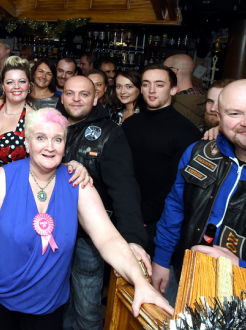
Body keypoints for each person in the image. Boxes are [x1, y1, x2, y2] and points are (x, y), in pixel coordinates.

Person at [0, 108, 173, 330]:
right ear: (27, 144)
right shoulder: (3, 178)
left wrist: (141, 282)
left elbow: (107, 238)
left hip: (46, 302)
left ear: (64, 146)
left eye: (57, 139)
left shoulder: (76, 184)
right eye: (41, 138)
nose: (49, 146)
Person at [151, 79, 246, 312]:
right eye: (235, 113)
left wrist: (243, 270)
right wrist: (162, 259)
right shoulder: (199, 153)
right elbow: (176, 207)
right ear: (219, 118)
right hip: (186, 280)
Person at [0, 56, 91, 256]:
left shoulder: (36, 118)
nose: (16, 87)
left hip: (13, 190)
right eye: (10, 82)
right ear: (3, 85)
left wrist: (73, 165)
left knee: (1, 249)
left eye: (21, 81)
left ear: (29, 85)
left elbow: (48, 152)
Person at [60, 77, 148, 330]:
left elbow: (124, 188)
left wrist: (132, 238)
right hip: (53, 231)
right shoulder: (51, 125)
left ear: (95, 98)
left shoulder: (110, 133)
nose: (76, 99)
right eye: (70, 93)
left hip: (90, 238)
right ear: (62, 96)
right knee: (57, 302)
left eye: (84, 94)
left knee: (87, 309)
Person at [121, 63, 201, 255]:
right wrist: (127, 211)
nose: (151, 90)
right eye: (146, 84)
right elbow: (120, 172)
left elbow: (177, 183)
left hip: (158, 221)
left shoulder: (186, 132)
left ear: (173, 89)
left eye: (159, 84)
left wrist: (145, 215)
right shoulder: (130, 124)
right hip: (126, 211)